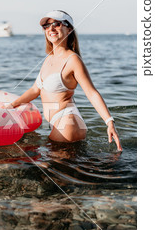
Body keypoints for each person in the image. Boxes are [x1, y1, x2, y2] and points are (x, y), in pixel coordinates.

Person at [9, 10, 122, 151]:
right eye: (46, 26)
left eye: (56, 24)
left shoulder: (72, 60)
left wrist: (109, 122)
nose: (51, 28)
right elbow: (35, 90)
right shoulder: (49, 58)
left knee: (53, 169)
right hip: (57, 123)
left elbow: (91, 92)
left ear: (69, 29)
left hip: (68, 124)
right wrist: (11, 105)